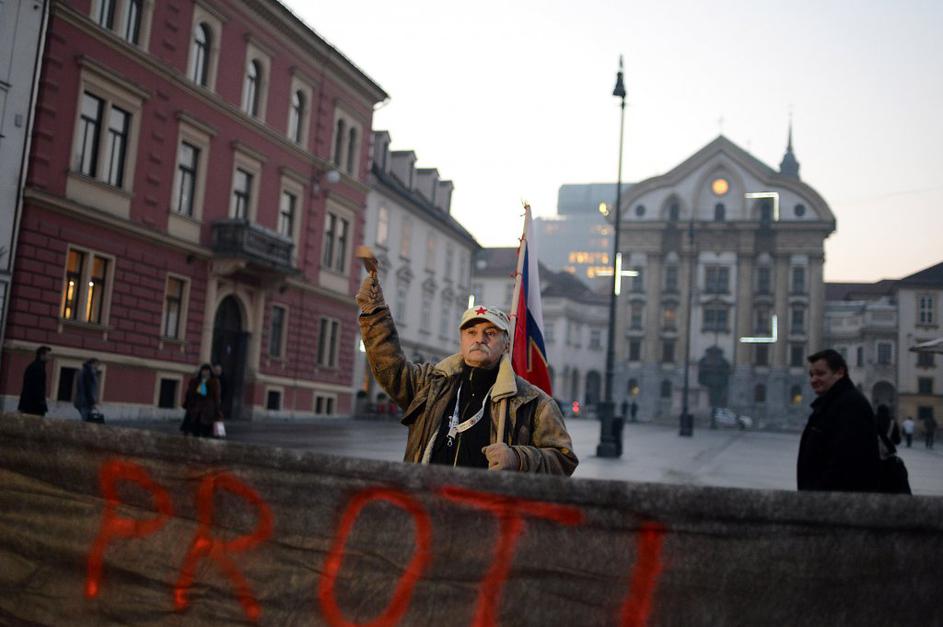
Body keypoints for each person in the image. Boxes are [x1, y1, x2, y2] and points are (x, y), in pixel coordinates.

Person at [356, 272, 577, 474]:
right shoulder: (431, 383)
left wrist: (518, 458)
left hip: (486, 511)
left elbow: (564, 460)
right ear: (462, 340)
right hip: (425, 504)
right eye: (471, 332)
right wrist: (374, 313)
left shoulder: (533, 402)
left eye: (490, 333)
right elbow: (391, 367)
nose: (479, 339)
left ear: (506, 345)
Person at [797, 349, 880, 492]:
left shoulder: (850, 405)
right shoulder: (832, 402)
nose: (813, 380)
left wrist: (819, 494)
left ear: (840, 373)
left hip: (834, 501)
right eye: (811, 374)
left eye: (820, 374)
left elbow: (846, 460)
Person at [180, 363, 222, 438]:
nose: (205, 372)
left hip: (209, 411)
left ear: (210, 372)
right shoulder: (196, 381)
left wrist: (218, 410)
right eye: (203, 370)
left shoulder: (214, 382)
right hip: (196, 410)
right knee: (195, 431)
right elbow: (194, 394)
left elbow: (216, 397)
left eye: (207, 370)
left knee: (206, 431)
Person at [18, 345, 51, 416]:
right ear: (42, 355)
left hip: (28, 404)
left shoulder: (34, 366)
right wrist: (41, 404)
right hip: (33, 406)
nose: (49, 357)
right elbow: (37, 387)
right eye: (48, 355)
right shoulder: (38, 368)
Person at [73, 358, 101, 422]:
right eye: (97, 365)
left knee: (85, 419)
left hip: (81, 400)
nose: (97, 367)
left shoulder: (82, 371)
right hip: (85, 402)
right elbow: (88, 388)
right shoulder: (89, 373)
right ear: (93, 363)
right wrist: (92, 402)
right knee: (86, 421)